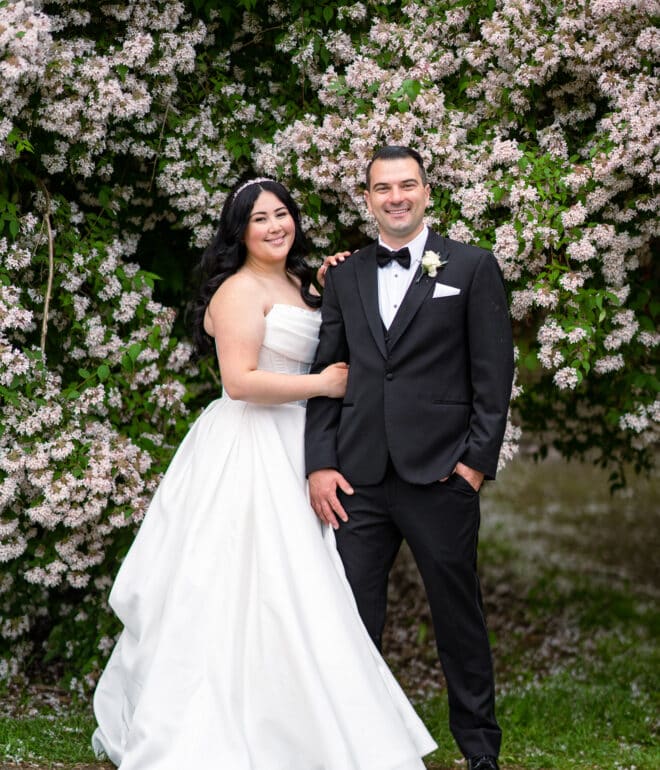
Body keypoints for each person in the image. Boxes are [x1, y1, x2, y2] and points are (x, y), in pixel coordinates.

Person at [91, 176, 437, 769]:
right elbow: (240, 381)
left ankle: (306, 718)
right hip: (249, 443)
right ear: (240, 232)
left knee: (311, 586)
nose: (276, 226)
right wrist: (323, 384)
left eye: (282, 215)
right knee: (241, 582)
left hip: (301, 443)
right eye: (260, 219)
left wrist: (333, 278)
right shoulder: (236, 293)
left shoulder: (302, 282)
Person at [305, 146, 515, 770]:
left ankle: (480, 749)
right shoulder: (344, 275)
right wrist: (320, 462)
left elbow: (493, 372)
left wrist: (474, 464)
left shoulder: (473, 267)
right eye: (381, 188)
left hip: (441, 475)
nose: (395, 197)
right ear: (366, 199)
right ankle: (354, 747)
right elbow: (327, 371)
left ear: (427, 193)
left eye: (407, 185)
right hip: (357, 478)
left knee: (458, 617)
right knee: (350, 618)